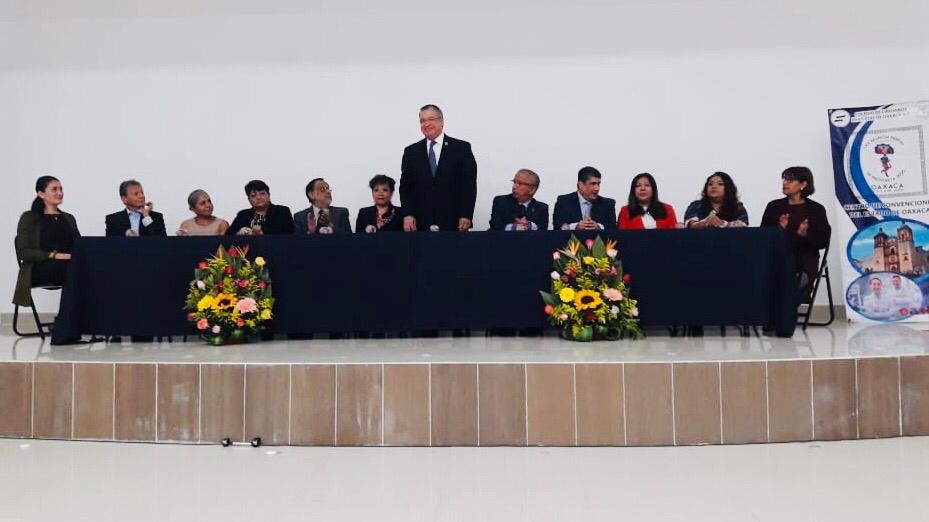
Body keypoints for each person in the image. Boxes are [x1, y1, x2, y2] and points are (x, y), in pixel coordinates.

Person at [400, 104, 477, 232]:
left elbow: (468, 185)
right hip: (420, 224)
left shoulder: (461, 148)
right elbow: (406, 188)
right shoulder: (411, 152)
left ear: (441, 121)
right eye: (423, 120)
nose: (426, 124)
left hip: (454, 223)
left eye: (431, 119)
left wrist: (466, 214)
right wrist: (408, 214)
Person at [760, 167, 831, 300]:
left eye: (790, 180)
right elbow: (763, 237)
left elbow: (823, 241)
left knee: (794, 282)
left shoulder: (816, 209)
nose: (785, 183)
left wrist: (805, 234)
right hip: (778, 257)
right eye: (784, 179)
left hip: (804, 259)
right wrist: (779, 229)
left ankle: (794, 297)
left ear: (803, 184)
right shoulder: (774, 207)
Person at [14, 176, 80, 308]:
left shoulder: (69, 218)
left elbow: (79, 246)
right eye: (54, 189)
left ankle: (74, 319)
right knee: (77, 271)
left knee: (94, 269)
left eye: (61, 189)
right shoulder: (29, 218)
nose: (60, 193)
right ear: (41, 193)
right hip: (39, 268)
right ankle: (67, 320)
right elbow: (23, 252)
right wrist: (55, 255)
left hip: (68, 266)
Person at [552, 166, 616, 230]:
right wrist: (576, 226)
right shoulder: (563, 201)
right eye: (593, 184)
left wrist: (598, 226)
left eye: (598, 184)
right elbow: (558, 226)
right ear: (580, 185)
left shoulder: (608, 204)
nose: (597, 188)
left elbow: (612, 228)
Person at [227, 180, 294, 235]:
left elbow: (289, 234)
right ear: (249, 200)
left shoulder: (282, 211)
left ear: (269, 195)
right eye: (254, 195)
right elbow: (227, 236)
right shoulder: (243, 215)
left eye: (262, 193)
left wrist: (262, 233)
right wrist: (239, 233)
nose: (258, 197)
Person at [684, 172, 749, 228]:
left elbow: (743, 227)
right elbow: (690, 224)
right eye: (710, 184)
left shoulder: (738, 208)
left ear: (728, 188)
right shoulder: (696, 205)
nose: (714, 186)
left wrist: (723, 223)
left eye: (720, 184)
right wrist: (705, 223)